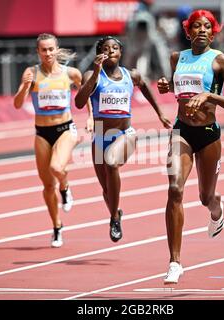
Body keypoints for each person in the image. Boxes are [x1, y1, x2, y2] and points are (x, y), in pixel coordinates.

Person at [157, 10, 224, 284]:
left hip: (208, 134)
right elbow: (177, 88)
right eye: (197, 26)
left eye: (208, 26)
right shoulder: (177, 58)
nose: (202, 30)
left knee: (205, 197)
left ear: (213, 31)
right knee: (174, 189)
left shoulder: (221, 61)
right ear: (188, 31)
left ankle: (216, 208)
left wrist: (209, 96)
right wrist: (166, 85)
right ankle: (175, 262)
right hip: (182, 131)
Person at [75, 36, 172, 243]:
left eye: (115, 48)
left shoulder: (131, 75)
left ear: (120, 52)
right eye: (106, 48)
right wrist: (95, 74)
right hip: (100, 136)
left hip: (125, 134)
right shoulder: (91, 75)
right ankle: (116, 212)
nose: (111, 51)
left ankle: (113, 220)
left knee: (112, 162)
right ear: (98, 53)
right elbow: (79, 102)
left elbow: (145, 86)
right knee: (106, 190)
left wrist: (160, 113)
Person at [13, 33, 86, 248]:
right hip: (42, 132)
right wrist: (26, 88)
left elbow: (84, 95)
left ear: (56, 50)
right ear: (38, 52)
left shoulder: (71, 73)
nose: (48, 53)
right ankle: (57, 227)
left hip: (65, 128)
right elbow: (17, 104)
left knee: (56, 167)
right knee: (46, 186)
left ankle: (65, 186)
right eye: (43, 50)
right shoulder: (31, 73)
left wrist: (91, 117)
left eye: (51, 49)